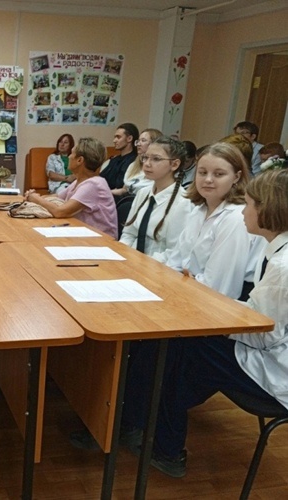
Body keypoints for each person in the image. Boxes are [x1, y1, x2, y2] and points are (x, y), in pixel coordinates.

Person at [123, 168, 288, 478]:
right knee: (177, 350)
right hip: (265, 346)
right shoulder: (278, 251)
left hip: (275, 368)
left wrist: (213, 318)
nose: (244, 211)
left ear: (268, 209)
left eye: (249, 204)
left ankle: (159, 440)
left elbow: (265, 335)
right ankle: (147, 426)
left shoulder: (283, 266)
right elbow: (258, 313)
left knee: (180, 351)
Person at [164, 142, 253, 299]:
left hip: (213, 305)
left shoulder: (235, 218)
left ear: (236, 177)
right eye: (202, 172)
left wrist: (184, 282)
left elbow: (219, 288)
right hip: (186, 292)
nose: (208, 180)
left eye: (219, 174)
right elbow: (174, 262)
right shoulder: (198, 210)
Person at [25, 137, 118, 238]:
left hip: (101, 242)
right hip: (84, 236)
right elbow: (57, 197)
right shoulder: (79, 181)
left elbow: (60, 212)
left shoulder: (93, 185)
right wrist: (32, 196)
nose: (69, 156)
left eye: (72, 153)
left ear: (79, 160)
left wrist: (36, 199)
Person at [119, 137, 192, 262]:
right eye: (145, 157)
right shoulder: (143, 193)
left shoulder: (183, 202)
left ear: (174, 164)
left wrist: (141, 263)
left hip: (156, 268)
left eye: (156, 159)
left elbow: (173, 252)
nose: (147, 164)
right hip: (131, 261)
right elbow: (129, 234)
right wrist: (122, 255)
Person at [112, 128, 162, 199]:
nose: (138, 144)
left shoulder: (158, 168)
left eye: (143, 140)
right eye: (138, 141)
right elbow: (125, 190)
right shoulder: (133, 165)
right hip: (126, 201)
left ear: (154, 144)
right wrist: (108, 192)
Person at [99, 122, 139, 195]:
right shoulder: (114, 160)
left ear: (129, 138)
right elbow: (101, 178)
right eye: (115, 137)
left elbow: (119, 185)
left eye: (118, 137)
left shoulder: (135, 161)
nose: (114, 141)